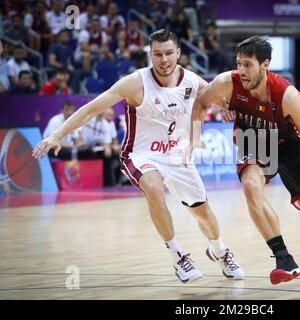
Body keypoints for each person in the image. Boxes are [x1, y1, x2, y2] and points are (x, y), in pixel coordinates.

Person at [32, 29, 244, 283]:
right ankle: (178, 257)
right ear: (150, 55)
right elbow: (91, 109)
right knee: (154, 188)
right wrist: (56, 135)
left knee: (204, 214)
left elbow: (217, 101)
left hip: (178, 156)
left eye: (168, 53)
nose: (163, 60)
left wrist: (229, 109)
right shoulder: (135, 82)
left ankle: (220, 250)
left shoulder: (192, 81)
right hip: (141, 154)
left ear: (178, 54)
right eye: (157, 54)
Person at [185, 36, 300, 285]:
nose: (242, 71)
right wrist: (194, 138)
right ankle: (283, 258)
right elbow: (201, 101)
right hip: (255, 142)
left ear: (265, 64)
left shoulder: (287, 95)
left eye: (248, 64)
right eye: (238, 64)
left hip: (290, 146)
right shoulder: (229, 82)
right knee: (250, 187)